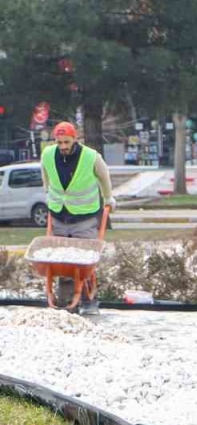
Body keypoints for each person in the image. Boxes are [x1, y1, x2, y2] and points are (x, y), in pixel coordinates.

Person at [40, 121, 115, 314]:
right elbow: (45, 172)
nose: (63, 146)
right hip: (59, 215)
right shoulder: (48, 154)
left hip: (85, 218)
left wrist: (108, 197)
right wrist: (47, 191)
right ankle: (65, 303)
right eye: (60, 142)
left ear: (75, 139)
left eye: (67, 142)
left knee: (84, 262)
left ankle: (89, 301)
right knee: (62, 262)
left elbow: (104, 176)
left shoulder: (91, 157)